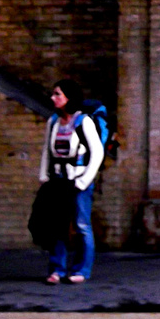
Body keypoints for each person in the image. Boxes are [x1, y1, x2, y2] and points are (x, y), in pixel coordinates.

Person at [39, 78, 105, 284]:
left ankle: (81, 270)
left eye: (57, 94)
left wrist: (84, 181)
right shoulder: (53, 122)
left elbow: (97, 153)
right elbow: (46, 152)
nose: (53, 98)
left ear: (69, 97)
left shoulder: (83, 121)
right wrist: (44, 176)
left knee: (82, 225)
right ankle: (56, 270)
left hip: (77, 181)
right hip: (58, 180)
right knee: (57, 226)